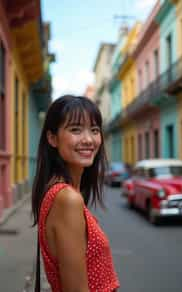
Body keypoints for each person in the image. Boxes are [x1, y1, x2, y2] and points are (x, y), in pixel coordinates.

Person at [31, 95, 120, 292]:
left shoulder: (60, 191)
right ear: (52, 138)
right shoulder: (67, 198)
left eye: (95, 130)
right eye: (75, 130)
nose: (88, 140)